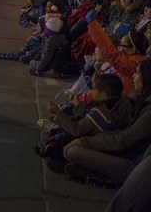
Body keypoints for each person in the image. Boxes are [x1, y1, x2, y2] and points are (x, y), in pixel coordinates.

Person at [63, 59, 151, 187]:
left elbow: (124, 140)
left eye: (138, 74)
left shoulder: (148, 111)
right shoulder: (139, 98)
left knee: (74, 152)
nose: (133, 76)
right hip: (125, 150)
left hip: (134, 165)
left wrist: (84, 142)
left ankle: (106, 178)